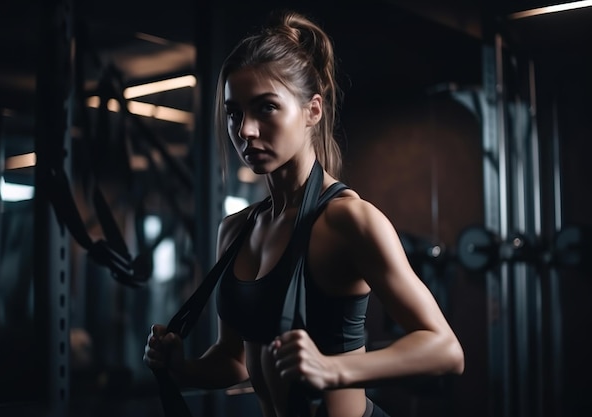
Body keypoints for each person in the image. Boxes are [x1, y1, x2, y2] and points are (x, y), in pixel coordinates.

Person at [144, 9, 464, 417]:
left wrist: (330, 368)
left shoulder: (349, 220)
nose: (245, 130)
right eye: (234, 112)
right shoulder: (236, 230)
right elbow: (236, 358)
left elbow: (445, 349)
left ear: (312, 111)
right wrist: (182, 369)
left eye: (265, 108)